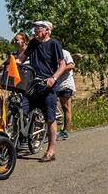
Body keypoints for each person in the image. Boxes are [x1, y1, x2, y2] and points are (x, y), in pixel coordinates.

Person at [17, 20, 67, 162]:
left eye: (38, 28)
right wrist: (14, 63)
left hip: (47, 86)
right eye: (34, 28)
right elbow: (22, 57)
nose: (35, 30)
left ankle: (51, 151)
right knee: (20, 109)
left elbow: (62, 64)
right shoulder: (33, 43)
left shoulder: (54, 44)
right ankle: (19, 137)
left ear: (47, 30)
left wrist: (54, 77)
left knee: (50, 118)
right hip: (32, 85)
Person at [55, 47, 76, 140]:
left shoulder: (64, 53)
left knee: (66, 108)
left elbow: (71, 65)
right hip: (54, 84)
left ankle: (65, 131)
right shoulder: (50, 54)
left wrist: (58, 71)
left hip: (65, 85)